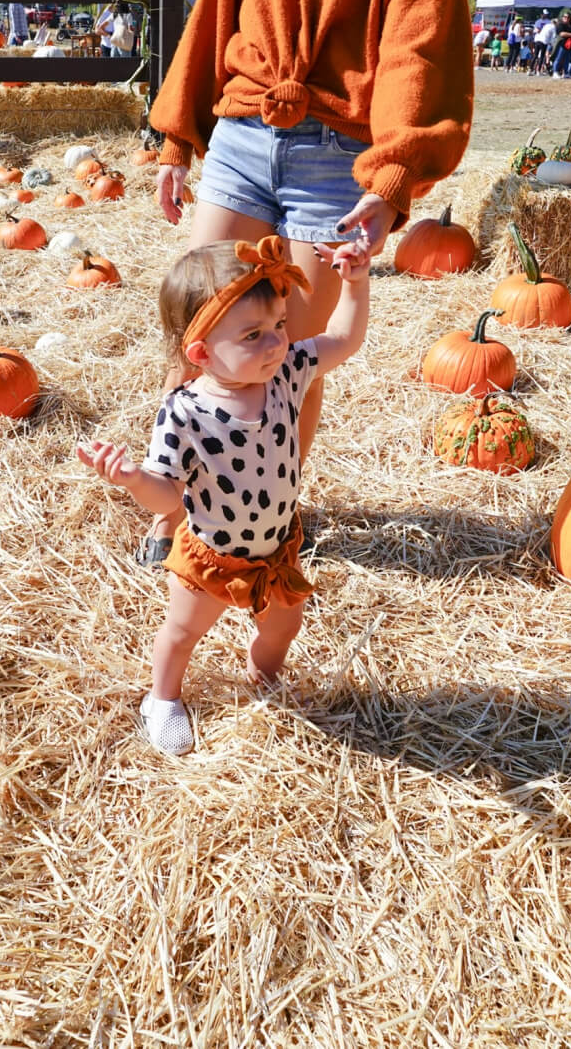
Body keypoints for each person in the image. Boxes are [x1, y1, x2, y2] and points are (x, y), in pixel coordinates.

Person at [140, 0, 473, 568]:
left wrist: (390, 177)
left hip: (337, 158)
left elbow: (415, 55)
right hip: (246, 140)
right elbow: (217, 9)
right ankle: (180, 508)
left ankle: (265, 517)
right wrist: (179, 134)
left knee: (286, 360)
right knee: (202, 334)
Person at [77, 233, 371, 754]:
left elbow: (344, 340)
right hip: (211, 557)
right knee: (182, 633)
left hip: (275, 553)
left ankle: (262, 680)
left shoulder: (287, 375)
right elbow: (167, 497)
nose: (277, 342)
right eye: (254, 334)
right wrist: (130, 480)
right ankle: (162, 699)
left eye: (279, 325)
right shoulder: (184, 413)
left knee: (283, 628)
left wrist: (355, 283)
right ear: (201, 351)